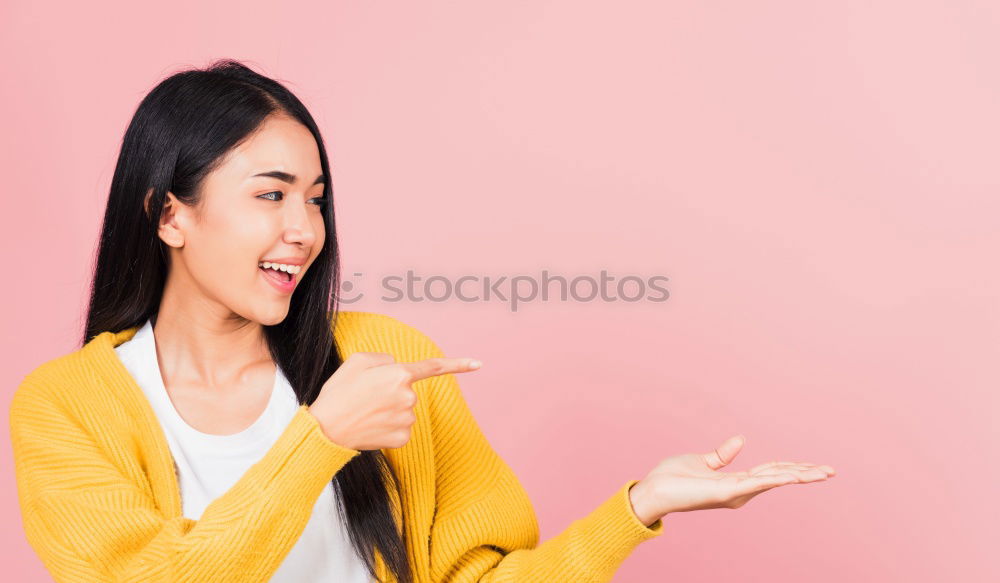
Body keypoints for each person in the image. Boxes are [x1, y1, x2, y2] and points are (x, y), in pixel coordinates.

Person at [8, 59, 835, 583]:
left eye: (316, 198)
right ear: (168, 215)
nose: (304, 228)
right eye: (270, 194)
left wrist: (636, 509)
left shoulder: (384, 360)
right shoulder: (66, 405)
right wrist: (319, 439)